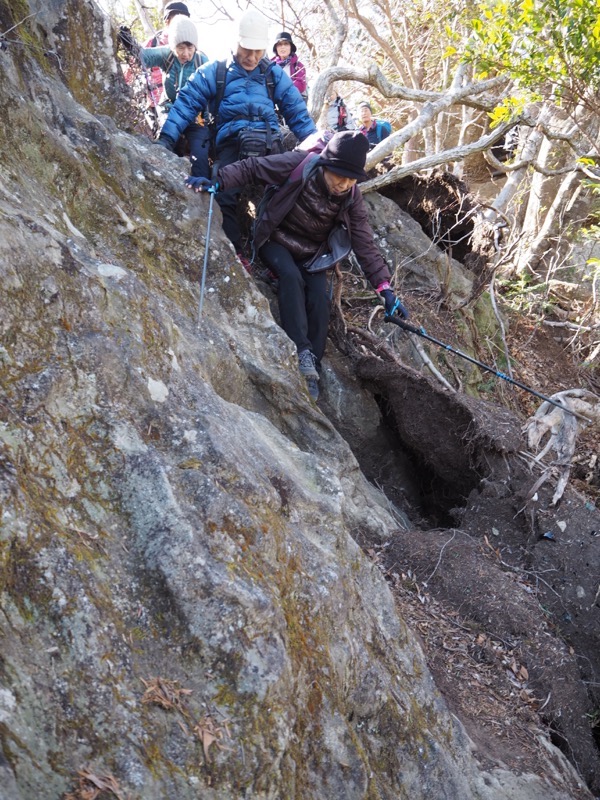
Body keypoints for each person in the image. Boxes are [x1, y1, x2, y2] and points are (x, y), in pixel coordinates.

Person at [185, 131, 409, 401]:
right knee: (290, 277)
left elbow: (364, 244)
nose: (344, 184)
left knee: (319, 297)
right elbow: (254, 168)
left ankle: (313, 362)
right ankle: (301, 351)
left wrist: (385, 289)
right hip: (275, 239)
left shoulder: (352, 197)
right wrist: (217, 182)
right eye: (339, 176)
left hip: (312, 254)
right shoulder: (300, 164)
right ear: (326, 165)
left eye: (351, 179)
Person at [156, 9, 317, 267]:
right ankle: (237, 254)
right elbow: (186, 102)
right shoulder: (216, 71)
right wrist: (166, 139)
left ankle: (279, 257)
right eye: (246, 50)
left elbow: (298, 113)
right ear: (236, 43)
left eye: (258, 51)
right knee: (223, 196)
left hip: (268, 142)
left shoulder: (273, 74)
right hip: (232, 143)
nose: (252, 57)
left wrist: (318, 148)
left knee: (286, 196)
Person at [138, 17, 210, 178]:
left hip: (195, 116)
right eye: (180, 48)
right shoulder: (167, 55)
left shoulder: (202, 61)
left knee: (200, 154)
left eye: (190, 47)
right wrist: (130, 45)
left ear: (195, 46)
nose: (186, 53)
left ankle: (203, 190)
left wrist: (207, 119)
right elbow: (143, 56)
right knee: (170, 142)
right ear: (173, 46)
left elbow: (212, 92)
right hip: (170, 110)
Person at [271, 32, 307, 99]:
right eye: (279, 44)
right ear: (276, 48)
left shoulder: (298, 66)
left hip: (292, 102)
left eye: (286, 44)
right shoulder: (270, 65)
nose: (283, 47)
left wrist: (280, 87)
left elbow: (301, 86)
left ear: (291, 47)